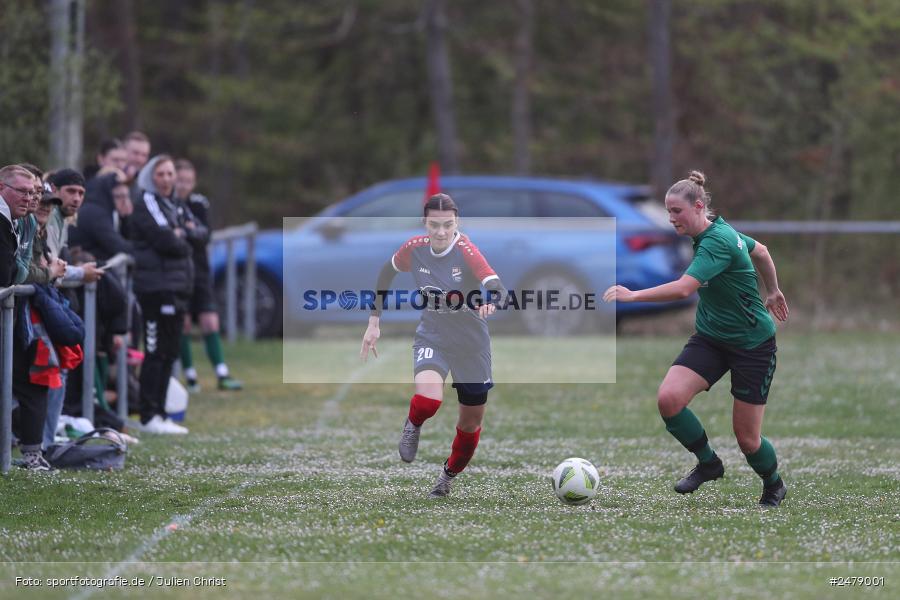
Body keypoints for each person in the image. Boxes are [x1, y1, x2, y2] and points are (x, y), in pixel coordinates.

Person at [603, 171, 790, 507]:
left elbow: (684, 288)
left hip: (752, 345)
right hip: (712, 338)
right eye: (668, 211)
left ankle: (774, 484)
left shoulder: (717, 241)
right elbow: (760, 250)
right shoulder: (715, 231)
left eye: (676, 211)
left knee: (747, 439)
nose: (671, 218)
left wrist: (633, 297)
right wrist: (773, 289)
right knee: (669, 399)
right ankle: (709, 463)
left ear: (698, 206)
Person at [360, 193, 506, 498]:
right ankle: (413, 424)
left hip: (471, 343)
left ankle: (446, 477)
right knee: (428, 401)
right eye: (435, 225)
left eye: (448, 225)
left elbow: (495, 284)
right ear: (424, 223)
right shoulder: (414, 249)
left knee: (470, 425)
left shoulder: (466, 250)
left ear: (457, 222)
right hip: (433, 334)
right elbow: (386, 273)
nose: (441, 232)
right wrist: (374, 322)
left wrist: (491, 299)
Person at [131, 155, 194, 434]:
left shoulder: (177, 204)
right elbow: (166, 239)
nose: (167, 179)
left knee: (170, 352)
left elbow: (201, 234)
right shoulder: (147, 201)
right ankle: (148, 414)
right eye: (161, 174)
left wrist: (184, 235)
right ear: (151, 177)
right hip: (156, 288)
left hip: (178, 287)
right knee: (155, 352)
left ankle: (162, 412)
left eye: (170, 174)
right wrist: (181, 236)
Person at [173, 159, 242, 392]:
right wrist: (188, 232)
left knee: (210, 321)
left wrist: (186, 232)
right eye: (180, 180)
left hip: (200, 271)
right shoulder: (166, 204)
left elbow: (204, 235)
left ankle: (221, 373)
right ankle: (190, 376)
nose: (184, 185)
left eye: (188, 181)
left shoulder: (199, 203)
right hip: (178, 272)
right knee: (182, 324)